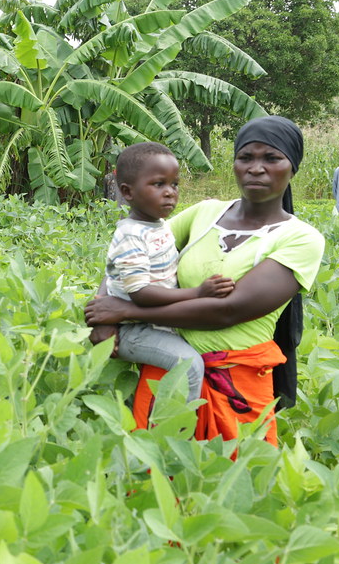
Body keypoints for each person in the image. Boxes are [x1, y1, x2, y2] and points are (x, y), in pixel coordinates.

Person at [85, 116, 326, 447]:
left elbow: (225, 311)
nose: (256, 168)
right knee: (154, 478)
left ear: (292, 167)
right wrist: (103, 311)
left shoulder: (301, 239)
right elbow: (129, 250)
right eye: (246, 158)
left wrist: (124, 313)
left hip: (237, 383)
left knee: (240, 485)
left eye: (271, 158)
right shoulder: (206, 212)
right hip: (168, 373)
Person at [102, 142, 235, 404]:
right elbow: (140, 293)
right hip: (134, 330)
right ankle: (177, 434)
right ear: (127, 192)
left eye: (174, 185)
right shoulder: (131, 235)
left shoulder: (157, 225)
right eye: (158, 184)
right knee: (189, 366)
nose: (169, 193)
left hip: (155, 323)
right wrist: (198, 293)